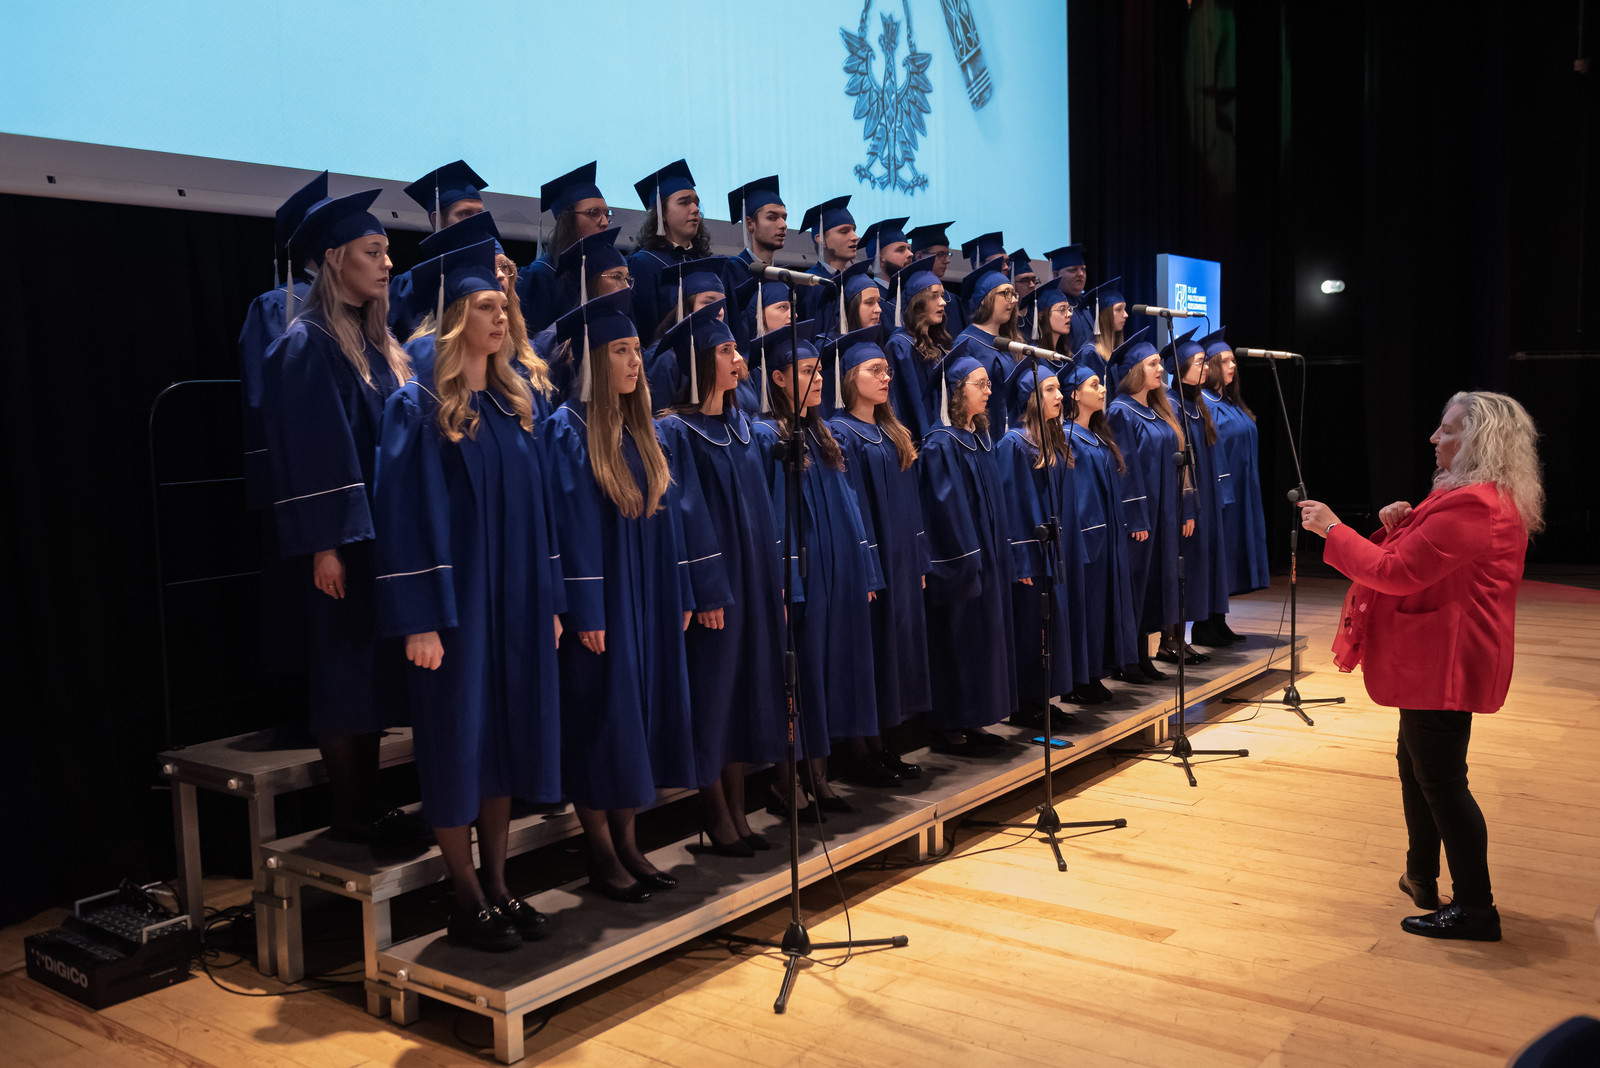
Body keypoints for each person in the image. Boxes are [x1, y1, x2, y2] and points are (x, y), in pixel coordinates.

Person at [1296, 391, 1544, 942]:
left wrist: (1332, 529)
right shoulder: (1470, 495)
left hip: (1445, 660)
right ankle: (1422, 877)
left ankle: (1476, 909)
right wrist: (1398, 521)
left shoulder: (1475, 505)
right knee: (1417, 767)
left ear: (1479, 441)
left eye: (1447, 430)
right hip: (1436, 654)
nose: (1434, 437)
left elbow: (1395, 572)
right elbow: (1418, 553)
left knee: (1444, 783)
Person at [372, 239, 562, 951]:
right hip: (454, 609)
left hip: (515, 600)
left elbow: (542, 513)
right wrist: (419, 619)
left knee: (504, 739)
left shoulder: (514, 405)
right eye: (485, 307)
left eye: (503, 306)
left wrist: (549, 600)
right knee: (457, 741)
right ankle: (464, 895)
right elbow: (402, 517)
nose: (500, 317)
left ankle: (500, 885)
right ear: (456, 317)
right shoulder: (418, 406)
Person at [260, 188, 422, 850]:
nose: (387, 263)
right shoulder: (307, 343)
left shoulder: (375, 341)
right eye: (372, 251)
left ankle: (371, 805)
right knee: (342, 672)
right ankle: (350, 810)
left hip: (381, 533)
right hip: (342, 539)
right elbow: (313, 450)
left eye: (386, 251)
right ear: (334, 259)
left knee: (372, 671)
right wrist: (326, 544)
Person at [546, 291, 697, 902]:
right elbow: (569, 527)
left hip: (647, 596)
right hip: (603, 605)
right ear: (591, 359)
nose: (636, 362)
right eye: (620, 351)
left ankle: (630, 843)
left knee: (635, 721)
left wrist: (678, 592)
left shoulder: (643, 431)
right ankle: (602, 853)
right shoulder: (567, 430)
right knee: (600, 721)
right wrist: (586, 609)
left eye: (637, 350)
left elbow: (670, 521)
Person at [656, 301, 788, 852]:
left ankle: (737, 808)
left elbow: (764, 509)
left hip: (753, 579)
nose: (739, 361)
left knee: (743, 691)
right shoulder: (676, 431)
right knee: (714, 695)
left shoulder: (743, 428)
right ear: (698, 361)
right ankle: (713, 812)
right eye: (727, 351)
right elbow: (684, 516)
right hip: (716, 585)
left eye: (737, 349)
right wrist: (706, 589)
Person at [754, 324, 882, 813]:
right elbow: (773, 516)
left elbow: (850, 507)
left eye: (821, 370)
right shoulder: (769, 435)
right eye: (808, 370)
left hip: (837, 574)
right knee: (799, 678)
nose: (820, 379)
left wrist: (866, 571)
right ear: (780, 378)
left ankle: (819, 777)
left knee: (825, 676)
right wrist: (788, 584)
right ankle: (785, 783)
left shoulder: (821, 432)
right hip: (804, 579)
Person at [827, 326, 929, 785]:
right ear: (850, 378)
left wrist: (919, 559)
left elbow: (911, 502)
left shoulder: (893, 432)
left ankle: (885, 744)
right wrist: (867, 566)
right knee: (868, 653)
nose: (887, 378)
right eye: (875, 370)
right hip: (871, 560)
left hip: (902, 559)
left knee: (894, 653)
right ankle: (859, 751)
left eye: (887, 370)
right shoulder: (841, 434)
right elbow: (850, 507)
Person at [918, 340, 1018, 753]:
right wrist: (966, 559)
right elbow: (944, 512)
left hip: (987, 557)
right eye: (980, 384)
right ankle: (949, 723)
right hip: (960, 562)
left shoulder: (979, 438)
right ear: (957, 391)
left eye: (989, 384)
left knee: (983, 639)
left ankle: (975, 718)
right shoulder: (941, 444)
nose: (989, 390)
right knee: (958, 639)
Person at [995, 359, 1088, 729]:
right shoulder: (1014, 444)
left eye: (1059, 389)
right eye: (1050, 390)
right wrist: (1021, 560)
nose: (1060, 396)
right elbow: (1011, 504)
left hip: (1053, 550)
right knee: (1031, 629)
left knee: (1050, 627)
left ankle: (1043, 698)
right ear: (1031, 398)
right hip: (1031, 556)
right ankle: (1025, 703)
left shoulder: (1054, 440)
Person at [1105, 327, 1190, 682]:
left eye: (1159, 363)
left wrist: (1184, 508)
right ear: (1134, 370)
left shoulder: (1157, 410)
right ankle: (1128, 660)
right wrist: (1136, 517)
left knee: (1154, 584)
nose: (1161, 369)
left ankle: (1144, 656)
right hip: (1141, 517)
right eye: (1153, 364)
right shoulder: (1121, 412)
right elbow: (1125, 468)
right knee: (1136, 584)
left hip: (1164, 511)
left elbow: (1179, 463)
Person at [1064, 364, 1141, 702]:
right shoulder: (1070, 438)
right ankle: (1079, 681)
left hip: (1107, 537)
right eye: (1094, 385)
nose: (1103, 390)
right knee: (1088, 609)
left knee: (1103, 608)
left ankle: (1094, 672)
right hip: (1087, 539)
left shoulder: (1097, 437)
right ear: (1075, 394)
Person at [1195, 328, 1266, 646]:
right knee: (1216, 555)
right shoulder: (1204, 404)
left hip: (1242, 490)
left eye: (1233, 360)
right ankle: (1203, 624)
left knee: (1229, 555)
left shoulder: (1230, 402)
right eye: (1224, 361)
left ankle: (1219, 620)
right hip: (1219, 492)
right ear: (1210, 366)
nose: (1232, 365)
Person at [1163, 328, 1228, 662]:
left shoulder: (1196, 404)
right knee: (1180, 567)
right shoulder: (1172, 405)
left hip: (1203, 495)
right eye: (1199, 362)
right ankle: (1169, 639)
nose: (1206, 368)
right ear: (1181, 367)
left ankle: (1180, 637)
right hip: (1184, 498)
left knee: (1194, 568)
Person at [517, 160, 613, 334]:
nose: (605, 222)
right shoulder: (540, 277)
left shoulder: (600, 273)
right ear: (567, 220)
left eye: (607, 214)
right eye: (594, 213)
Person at [629, 159, 711, 336]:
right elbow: (645, 329)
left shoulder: (705, 262)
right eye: (684, 202)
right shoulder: (644, 264)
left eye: (696, 203)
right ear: (662, 213)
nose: (695, 209)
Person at [883, 255, 951, 441]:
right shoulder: (900, 346)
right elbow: (909, 405)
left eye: (942, 296)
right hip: (922, 442)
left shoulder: (936, 344)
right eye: (934, 296)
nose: (943, 302)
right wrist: (930, 443)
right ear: (917, 303)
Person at [954, 263, 1022, 433]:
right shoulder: (966, 343)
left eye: (1013, 294)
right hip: (984, 433)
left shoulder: (1010, 342)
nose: (1013, 300)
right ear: (984, 299)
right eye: (1005, 293)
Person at [798, 195, 858, 321]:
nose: (855, 237)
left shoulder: (855, 281)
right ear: (821, 240)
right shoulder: (811, 284)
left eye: (854, 230)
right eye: (844, 231)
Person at [907, 221, 962, 334]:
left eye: (948, 254)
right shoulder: (907, 298)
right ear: (919, 256)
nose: (947, 261)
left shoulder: (953, 300)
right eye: (940, 254)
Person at [727, 175, 786, 268]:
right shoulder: (730, 272)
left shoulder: (783, 275)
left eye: (784, 218)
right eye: (772, 218)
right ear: (750, 223)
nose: (783, 225)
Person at [860, 217, 912, 285]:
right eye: (900, 250)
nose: (910, 254)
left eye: (908, 249)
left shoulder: (905, 290)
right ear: (880, 260)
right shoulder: (872, 291)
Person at [1091, 279, 1128, 369]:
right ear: (1103, 315)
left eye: (1124, 309)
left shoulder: (1116, 349)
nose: (1126, 315)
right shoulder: (1091, 352)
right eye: (1119, 309)